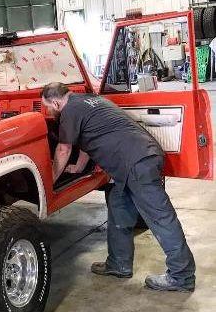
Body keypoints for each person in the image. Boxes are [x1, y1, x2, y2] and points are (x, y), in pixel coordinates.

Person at [41, 82, 195, 292]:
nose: (48, 112)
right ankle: (118, 264)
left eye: (48, 107)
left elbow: (63, 149)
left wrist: (47, 182)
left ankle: (181, 276)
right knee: (118, 205)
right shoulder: (92, 100)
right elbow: (88, 139)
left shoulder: (69, 110)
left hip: (138, 163)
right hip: (137, 159)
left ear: (57, 103)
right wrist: (78, 167)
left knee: (161, 218)